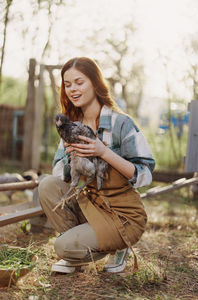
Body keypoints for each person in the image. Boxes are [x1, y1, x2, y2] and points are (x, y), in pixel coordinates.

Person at [38, 57, 155, 274]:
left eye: (79, 82)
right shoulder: (72, 127)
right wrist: (70, 157)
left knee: (62, 246)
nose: (73, 89)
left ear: (95, 83)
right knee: (47, 185)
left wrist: (104, 152)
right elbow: (57, 172)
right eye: (67, 84)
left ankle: (118, 246)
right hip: (89, 205)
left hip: (121, 214)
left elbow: (145, 174)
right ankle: (76, 253)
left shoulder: (121, 124)